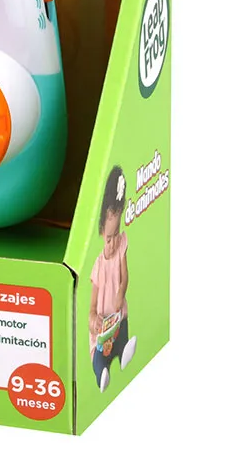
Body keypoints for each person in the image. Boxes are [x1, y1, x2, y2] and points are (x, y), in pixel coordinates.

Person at [90, 165, 138, 391]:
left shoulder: (121, 247)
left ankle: (124, 350)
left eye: (116, 235)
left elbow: (125, 275)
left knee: (122, 331)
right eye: (109, 238)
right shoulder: (98, 265)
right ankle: (102, 373)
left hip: (118, 315)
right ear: (101, 232)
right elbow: (92, 305)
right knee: (99, 356)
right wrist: (94, 319)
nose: (112, 243)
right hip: (103, 325)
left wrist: (121, 292)